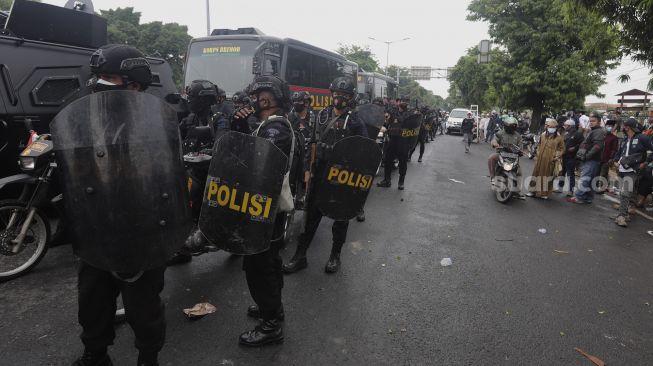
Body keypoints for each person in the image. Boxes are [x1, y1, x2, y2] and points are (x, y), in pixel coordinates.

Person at [72, 44, 165, 366]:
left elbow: (163, 179)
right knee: (92, 301)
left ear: (134, 85)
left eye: (109, 78)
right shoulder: (87, 117)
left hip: (141, 229)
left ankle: (148, 357)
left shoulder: (155, 124)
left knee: (143, 306)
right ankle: (95, 354)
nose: (99, 84)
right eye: (98, 77)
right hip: (97, 225)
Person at [231, 75, 295, 346]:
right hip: (265, 205)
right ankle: (273, 307)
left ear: (268, 98)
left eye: (258, 96)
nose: (254, 100)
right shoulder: (268, 126)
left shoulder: (275, 129)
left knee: (259, 267)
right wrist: (241, 125)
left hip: (267, 208)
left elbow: (256, 163)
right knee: (269, 263)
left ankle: (270, 325)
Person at [283, 76, 367, 275]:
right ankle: (300, 256)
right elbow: (310, 144)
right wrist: (306, 170)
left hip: (342, 177)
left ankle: (335, 255)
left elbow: (365, 152)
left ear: (351, 97)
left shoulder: (355, 122)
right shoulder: (321, 116)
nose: (339, 98)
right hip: (319, 174)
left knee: (341, 218)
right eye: (336, 94)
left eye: (344, 95)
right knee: (310, 217)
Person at [611, 118, 653, 227]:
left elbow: (651, 151)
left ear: (628, 127)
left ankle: (621, 216)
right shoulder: (625, 139)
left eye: (625, 126)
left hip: (633, 169)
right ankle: (627, 209)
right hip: (621, 168)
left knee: (626, 192)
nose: (623, 128)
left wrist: (645, 163)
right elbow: (620, 151)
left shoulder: (642, 138)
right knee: (627, 191)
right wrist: (615, 161)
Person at [567, 112, 606, 204]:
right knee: (590, 179)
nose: (591, 122)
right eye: (590, 121)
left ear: (599, 122)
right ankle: (588, 197)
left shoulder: (598, 131)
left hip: (591, 159)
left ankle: (579, 197)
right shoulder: (593, 130)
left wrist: (587, 156)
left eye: (594, 121)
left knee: (585, 178)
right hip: (591, 159)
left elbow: (597, 146)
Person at [376, 97, 413, 189]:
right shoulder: (393, 111)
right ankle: (387, 180)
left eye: (406, 101)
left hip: (403, 141)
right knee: (387, 160)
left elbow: (407, 122)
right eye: (402, 101)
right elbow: (386, 121)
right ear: (398, 102)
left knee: (403, 162)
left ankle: (401, 182)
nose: (404, 103)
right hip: (392, 139)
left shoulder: (410, 114)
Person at [526, 119, 564, 200]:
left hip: (550, 161)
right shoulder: (543, 135)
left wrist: (556, 155)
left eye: (553, 127)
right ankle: (532, 191)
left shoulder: (559, 138)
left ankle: (544, 193)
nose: (550, 128)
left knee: (547, 177)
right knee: (536, 174)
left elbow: (562, 149)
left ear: (556, 128)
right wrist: (538, 152)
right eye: (549, 126)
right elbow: (539, 145)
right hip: (540, 159)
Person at [488, 117, 524, 197]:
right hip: (501, 154)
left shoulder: (518, 136)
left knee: (519, 173)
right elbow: (494, 140)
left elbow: (521, 146)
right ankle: (493, 178)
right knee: (491, 158)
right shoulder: (500, 133)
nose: (512, 128)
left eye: (514, 126)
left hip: (513, 157)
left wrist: (520, 151)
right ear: (506, 126)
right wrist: (494, 144)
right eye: (511, 126)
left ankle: (518, 190)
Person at [560, 119, 584, 196]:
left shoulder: (578, 134)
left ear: (570, 126)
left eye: (566, 125)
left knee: (570, 174)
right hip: (564, 155)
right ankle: (560, 187)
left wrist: (575, 148)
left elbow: (582, 144)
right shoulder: (566, 133)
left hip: (572, 157)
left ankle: (571, 190)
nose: (564, 126)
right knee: (562, 172)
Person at [596, 120, 619, 193]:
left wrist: (611, 158)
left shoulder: (614, 138)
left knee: (603, 174)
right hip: (598, 157)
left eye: (611, 127)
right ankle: (597, 187)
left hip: (607, 159)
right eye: (608, 126)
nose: (609, 127)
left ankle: (601, 189)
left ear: (613, 128)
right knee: (597, 173)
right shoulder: (602, 135)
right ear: (605, 126)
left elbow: (614, 149)